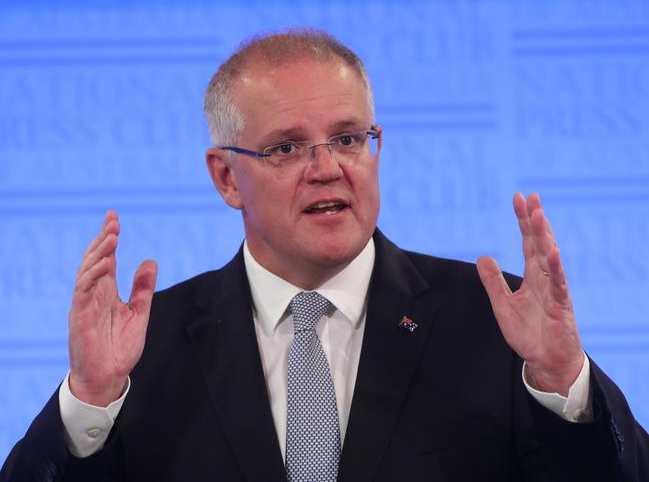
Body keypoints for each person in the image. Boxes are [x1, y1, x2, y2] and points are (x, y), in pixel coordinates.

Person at [2, 29, 648, 482]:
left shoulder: (495, 320)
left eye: (347, 138)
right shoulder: (145, 346)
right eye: (285, 147)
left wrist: (566, 385)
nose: (326, 168)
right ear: (226, 178)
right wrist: (89, 398)